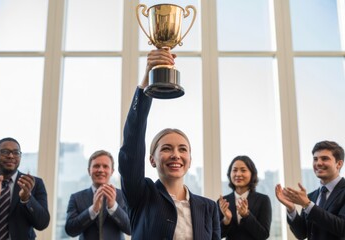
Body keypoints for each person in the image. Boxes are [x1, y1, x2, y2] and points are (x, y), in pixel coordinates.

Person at [118, 49, 220, 240]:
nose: (176, 155)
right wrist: (148, 78)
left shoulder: (208, 208)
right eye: (166, 148)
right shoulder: (141, 196)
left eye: (183, 149)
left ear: (190, 160)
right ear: (152, 160)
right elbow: (132, 146)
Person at [275, 140, 345, 240]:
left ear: (339, 164)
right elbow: (302, 234)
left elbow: (342, 228)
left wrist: (307, 205)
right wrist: (291, 209)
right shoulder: (311, 196)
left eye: (324, 158)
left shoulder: (307, 201)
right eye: (315, 159)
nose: (318, 163)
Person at [0, 137, 50, 240]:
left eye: (16, 152)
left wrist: (27, 198)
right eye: (5, 152)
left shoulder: (34, 184)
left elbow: (42, 223)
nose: (11, 156)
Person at [65, 150, 130, 240]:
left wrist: (113, 207)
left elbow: (131, 228)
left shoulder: (123, 196)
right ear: (89, 171)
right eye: (96, 166)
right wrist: (93, 210)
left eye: (105, 166)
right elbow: (70, 230)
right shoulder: (76, 198)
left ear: (112, 171)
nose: (100, 170)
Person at [218, 155, 271, 239]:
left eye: (243, 170)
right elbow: (217, 235)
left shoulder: (263, 200)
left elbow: (263, 235)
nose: (238, 174)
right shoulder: (223, 202)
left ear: (252, 173)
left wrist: (247, 215)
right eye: (234, 170)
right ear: (230, 174)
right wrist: (226, 220)